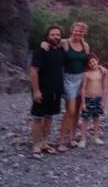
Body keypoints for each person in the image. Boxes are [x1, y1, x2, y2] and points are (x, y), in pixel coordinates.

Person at [30, 25, 65, 158]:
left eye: (58, 34)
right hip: (42, 90)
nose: (56, 37)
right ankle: (36, 145)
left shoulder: (60, 50)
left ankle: (45, 143)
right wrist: (36, 90)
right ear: (47, 36)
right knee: (37, 118)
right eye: (53, 34)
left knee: (49, 117)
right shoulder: (41, 50)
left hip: (56, 91)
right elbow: (33, 71)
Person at [78, 53, 106, 148]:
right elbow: (83, 88)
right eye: (90, 63)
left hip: (98, 98)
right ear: (87, 65)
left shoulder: (101, 72)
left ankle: (96, 137)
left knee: (96, 118)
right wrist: (83, 103)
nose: (92, 64)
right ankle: (83, 139)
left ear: (97, 60)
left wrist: (103, 100)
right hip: (88, 98)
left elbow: (103, 86)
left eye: (93, 61)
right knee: (85, 119)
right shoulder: (86, 74)